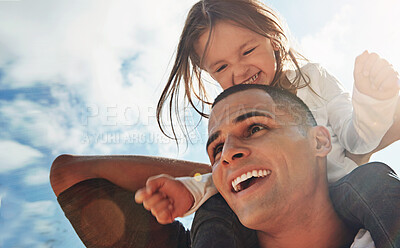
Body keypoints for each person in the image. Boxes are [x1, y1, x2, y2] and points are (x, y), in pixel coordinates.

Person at [50, 0, 400, 247]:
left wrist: (372, 100)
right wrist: (202, 184)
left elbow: (359, 139)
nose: (238, 71)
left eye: (247, 51)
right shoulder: (226, 119)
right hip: (248, 200)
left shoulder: (312, 81)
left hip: (342, 190)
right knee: (216, 207)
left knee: (372, 178)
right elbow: (223, 174)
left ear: (273, 38)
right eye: (220, 67)